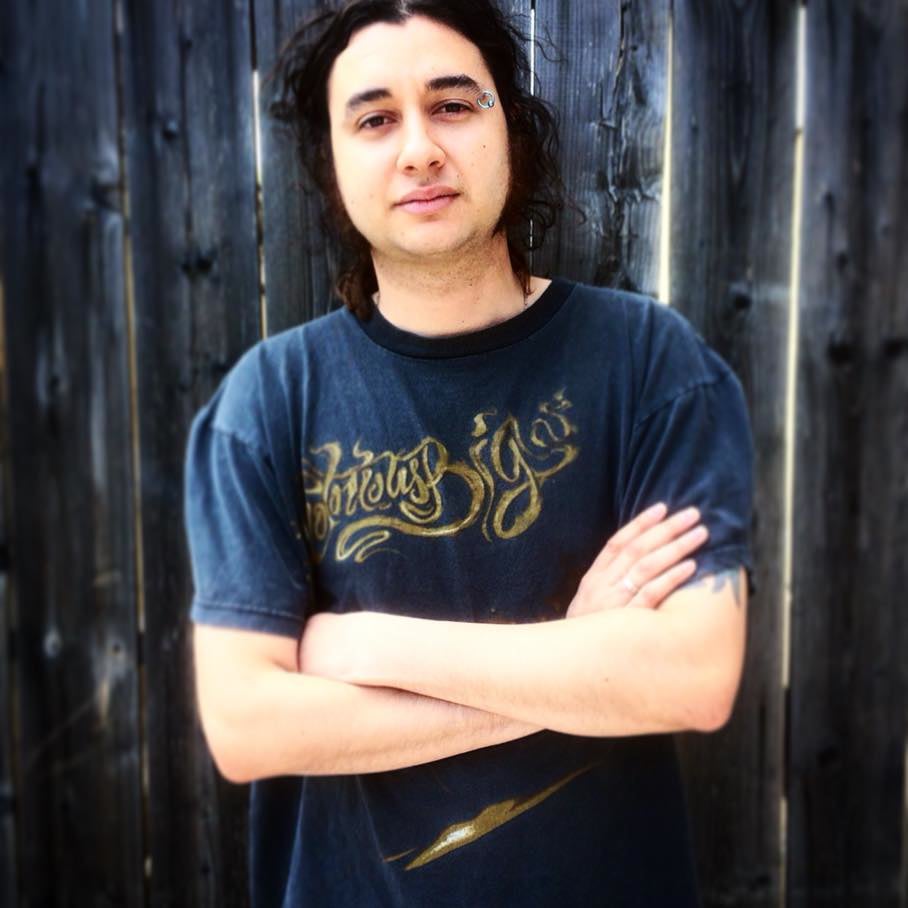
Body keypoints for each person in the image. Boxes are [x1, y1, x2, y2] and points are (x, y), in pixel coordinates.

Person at [183, 1, 755, 905]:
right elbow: (248, 726)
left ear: (510, 131)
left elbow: (692, 677)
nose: (419, 149)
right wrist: (578, 659)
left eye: (453, 105)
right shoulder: (269, 401)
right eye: (375, 119)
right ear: (333, 164)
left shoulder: (650, 365)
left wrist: (365, 644)